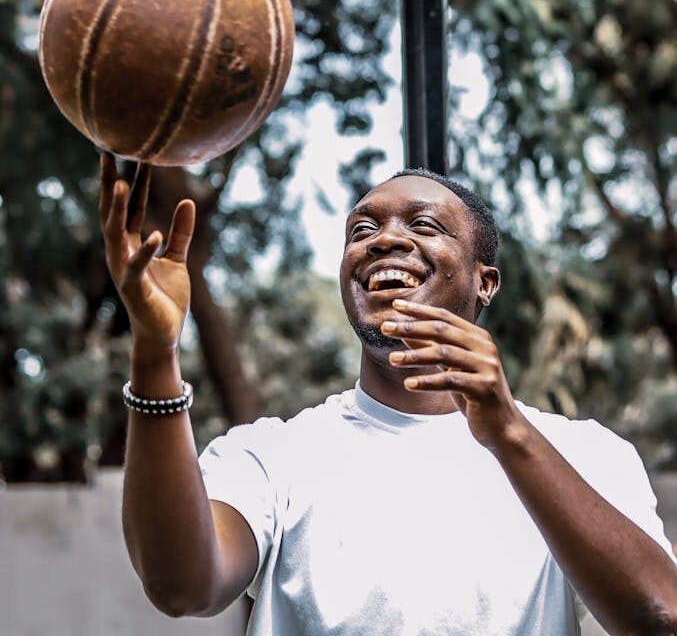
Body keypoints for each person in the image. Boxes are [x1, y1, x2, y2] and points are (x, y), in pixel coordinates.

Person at [100, 152, 677, 635]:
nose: (385, 241)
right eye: (363, 230)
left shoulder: (583, 454)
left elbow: (659, 618)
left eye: (424, 225)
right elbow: (180, 585)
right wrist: (155, 352)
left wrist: (508, 433)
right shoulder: (272, 456)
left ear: (485, 281)